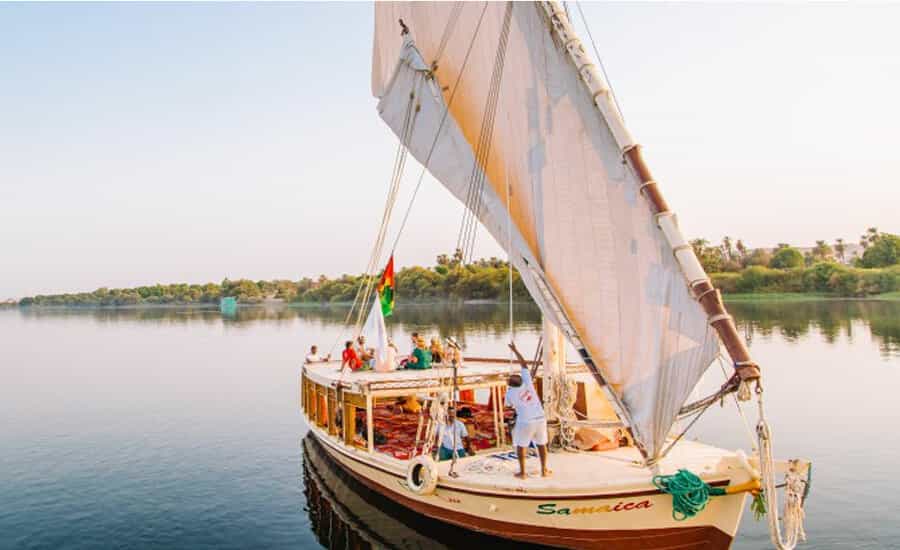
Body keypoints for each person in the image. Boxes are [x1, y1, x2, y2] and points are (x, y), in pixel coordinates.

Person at [505, 362, 551, 479]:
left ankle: (523, 473)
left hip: (526, 420)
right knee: (541, 444)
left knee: (521, 446)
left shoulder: (510, 393)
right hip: (540, 418)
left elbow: (508, 406)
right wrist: (516, 353)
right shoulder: (528, 383)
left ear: (511, 384)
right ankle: (544, 470)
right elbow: (524, 365)